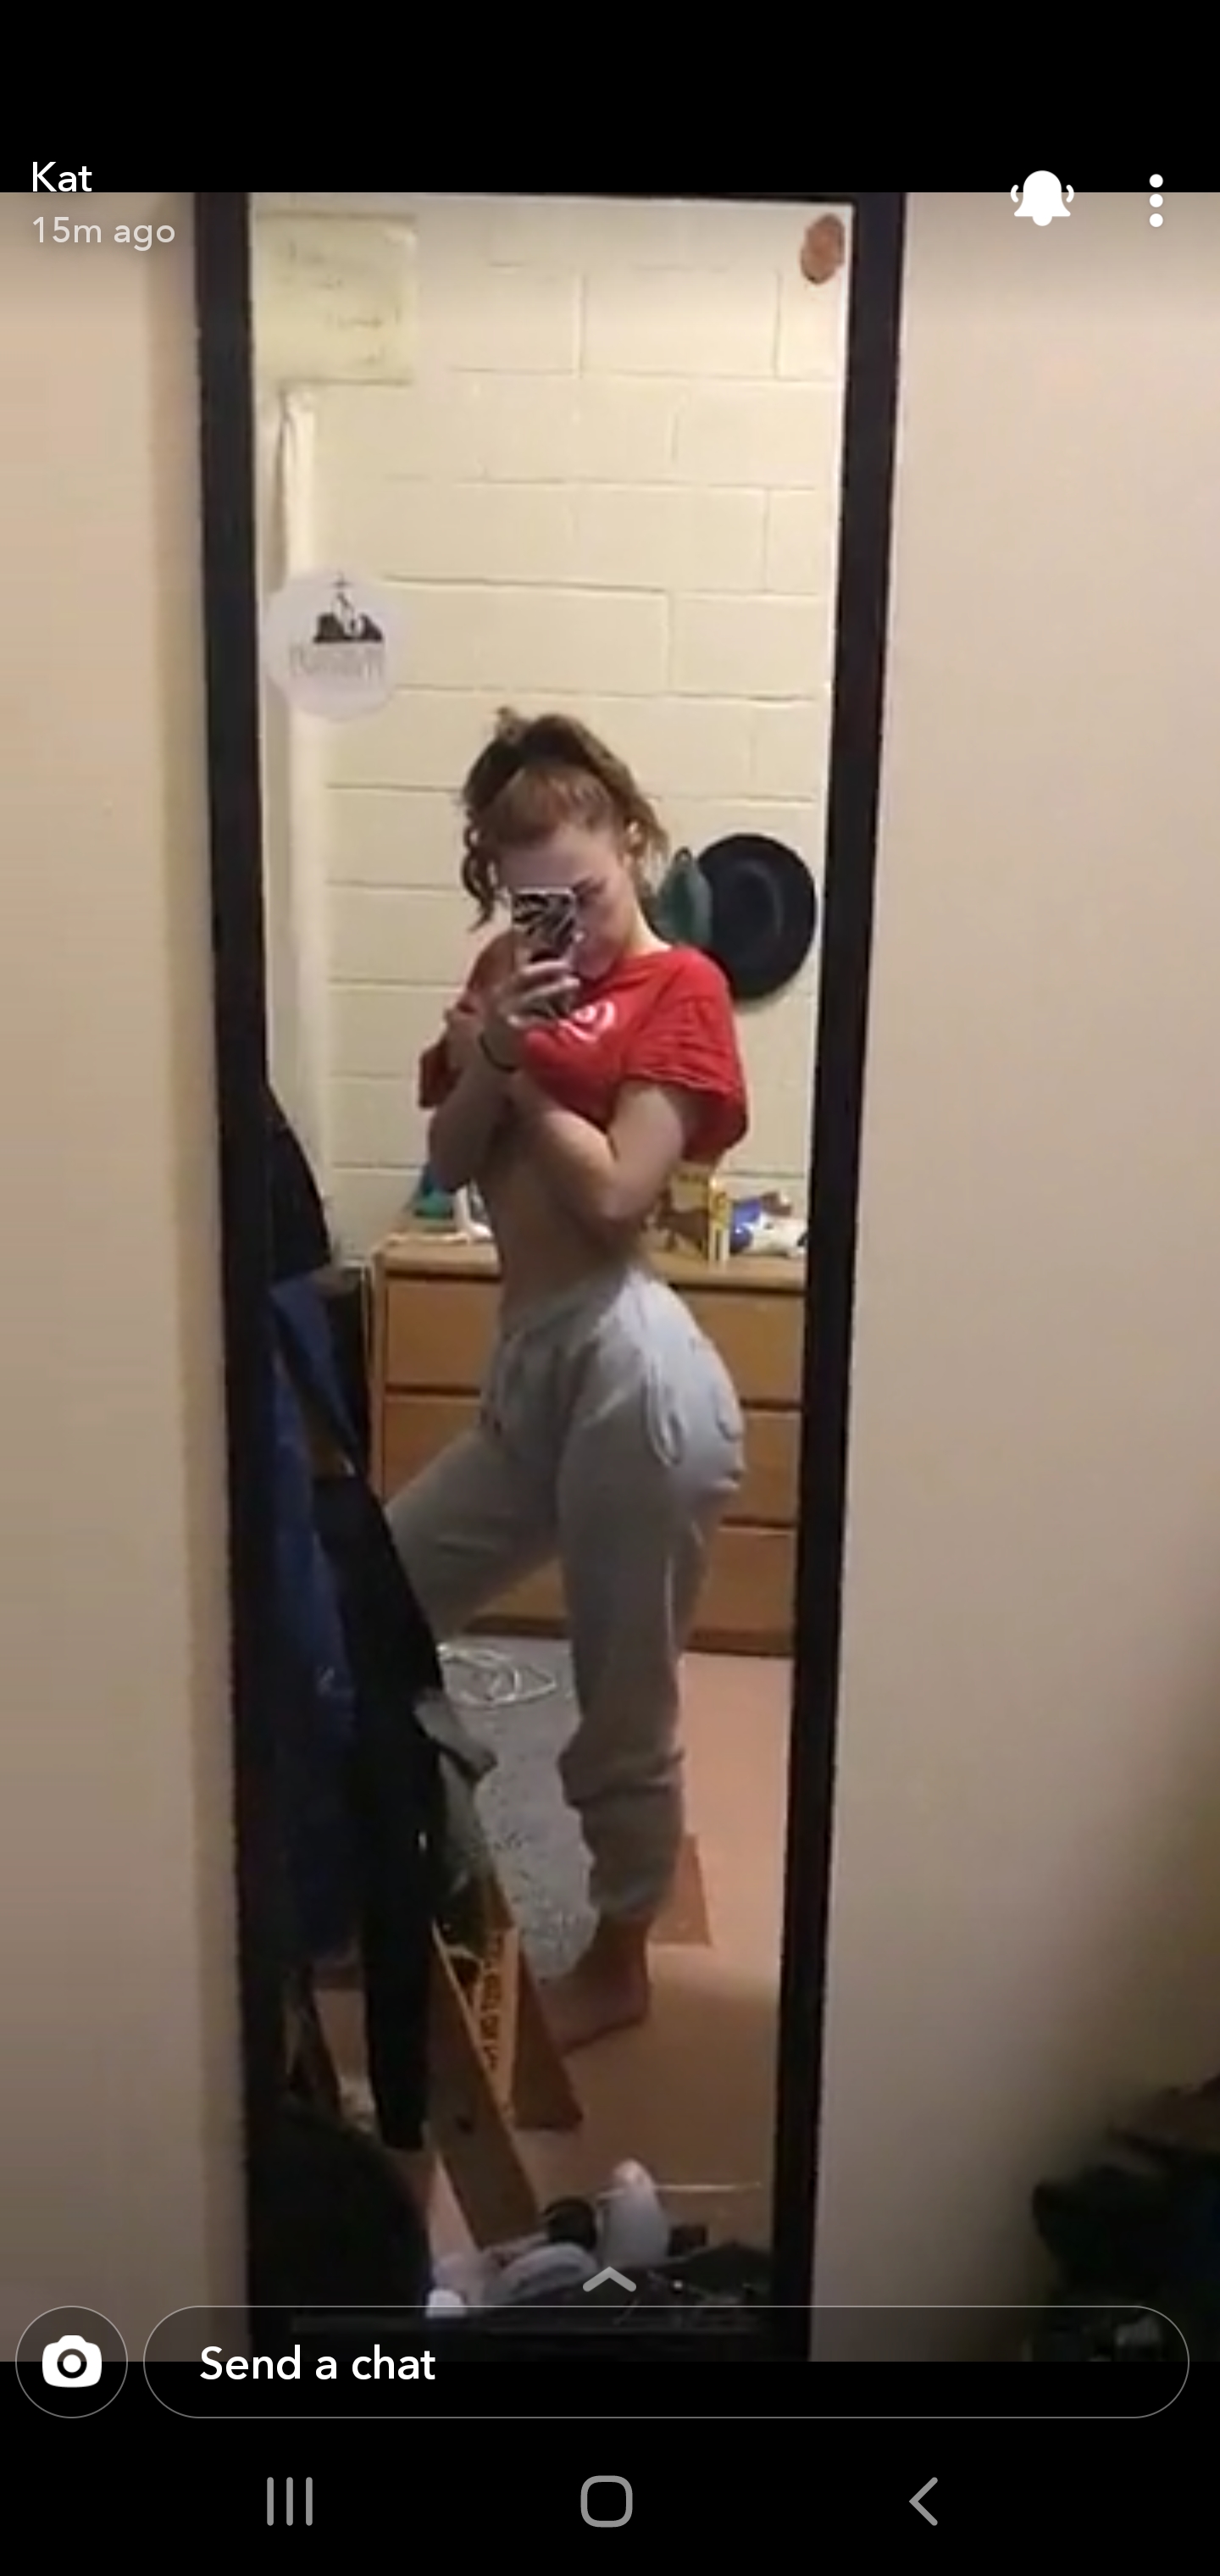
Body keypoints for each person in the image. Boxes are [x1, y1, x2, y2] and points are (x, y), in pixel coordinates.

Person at [387, 710, 750, 2052]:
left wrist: (518, 1065)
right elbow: (446, 1161)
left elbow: (614, 1198)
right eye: (532, 902)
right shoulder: (508, 972)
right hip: (529, 1366)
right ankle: (398, 1849)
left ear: (632, 844)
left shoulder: (682, 988)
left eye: (584, 896)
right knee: (372, 1601)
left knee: (622, 1690)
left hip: (631, 1371)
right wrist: (491, 1046)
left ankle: (620, 1950)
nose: (565, 930)